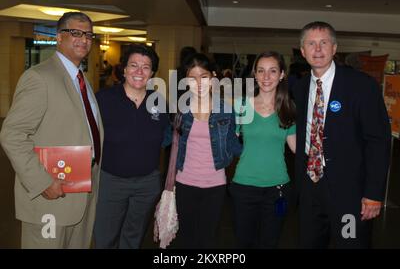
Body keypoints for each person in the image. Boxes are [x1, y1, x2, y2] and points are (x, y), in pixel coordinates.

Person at [0, 12, 103, 248]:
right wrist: (41, 181)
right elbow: (12, 134)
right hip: (51, 194)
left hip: (81, 189)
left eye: (88, 34)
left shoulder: (82, 80)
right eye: (75, 32)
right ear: (59, 37)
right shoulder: (39, 77)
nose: (83, 39)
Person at [292, 21, 391, 248]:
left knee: (350, 243)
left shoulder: (361, 86)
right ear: (303, 50)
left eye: (324, 43)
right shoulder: (299, 87)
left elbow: (377, 142)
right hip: (310, 189)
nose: (318, 49)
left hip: (350, 192)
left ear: (335, 48)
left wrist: (373, 194)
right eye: (311, 44)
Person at [94, 44, 171, 249]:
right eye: (134, 65)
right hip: (111, 182)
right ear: (124, 69)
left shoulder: (159, 102)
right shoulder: (103, 99)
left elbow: (167, 135)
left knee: (133, 237)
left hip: (146, 184)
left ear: (152, 73)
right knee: (105, 237)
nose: (139, 72)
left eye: (146, 67)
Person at [174, 53, 242, 249]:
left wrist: (255, 149)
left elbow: (232, 143)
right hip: (185, 182)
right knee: (187, 237)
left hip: (215, 184)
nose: (199, 83)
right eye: (192, 78)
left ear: (213, 77)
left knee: (207, 237)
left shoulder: (225, 110)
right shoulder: (180, 110)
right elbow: (165, 140)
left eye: (203, 77)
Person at [231, 51, 296, 248]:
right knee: (244, 242)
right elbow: (227, 143)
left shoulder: (288, 108)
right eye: (261, 71)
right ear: (255, 74)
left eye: (272, 71)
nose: (266, 77)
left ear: (282, 74)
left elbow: (297, 149)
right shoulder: (241, 105)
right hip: (244, 187)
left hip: (278, 190)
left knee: (270, 242)